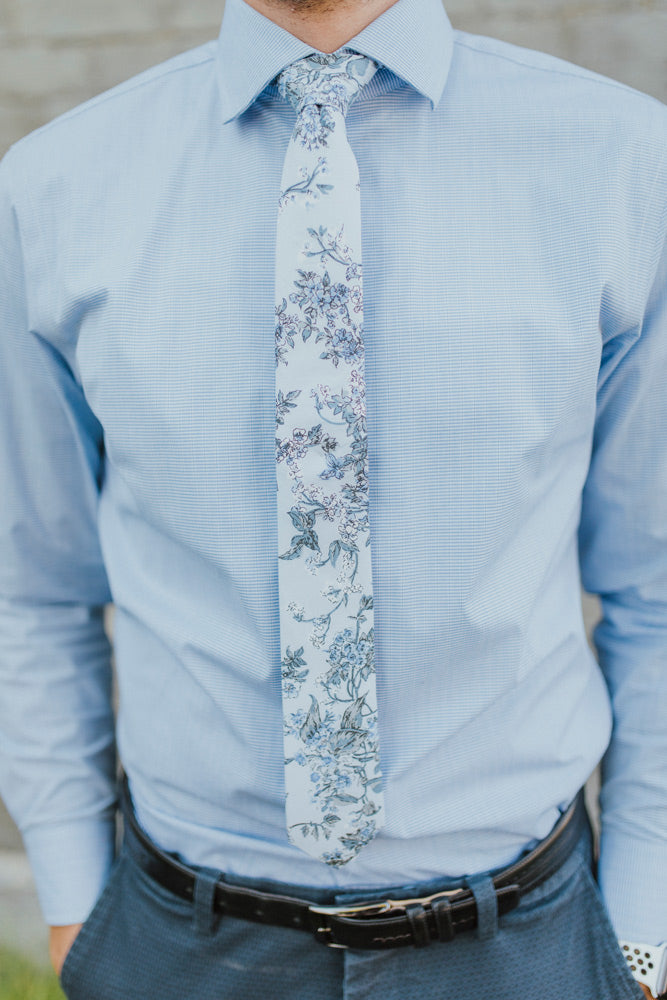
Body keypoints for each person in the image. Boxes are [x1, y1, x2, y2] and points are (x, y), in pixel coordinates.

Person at [0, 0, 665, 995]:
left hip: (528, 942)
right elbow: (33, 583)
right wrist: (71, 901)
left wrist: (645, 930)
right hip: (175, 942)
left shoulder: (623, 161)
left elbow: (656, 585)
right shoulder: (52, 188)